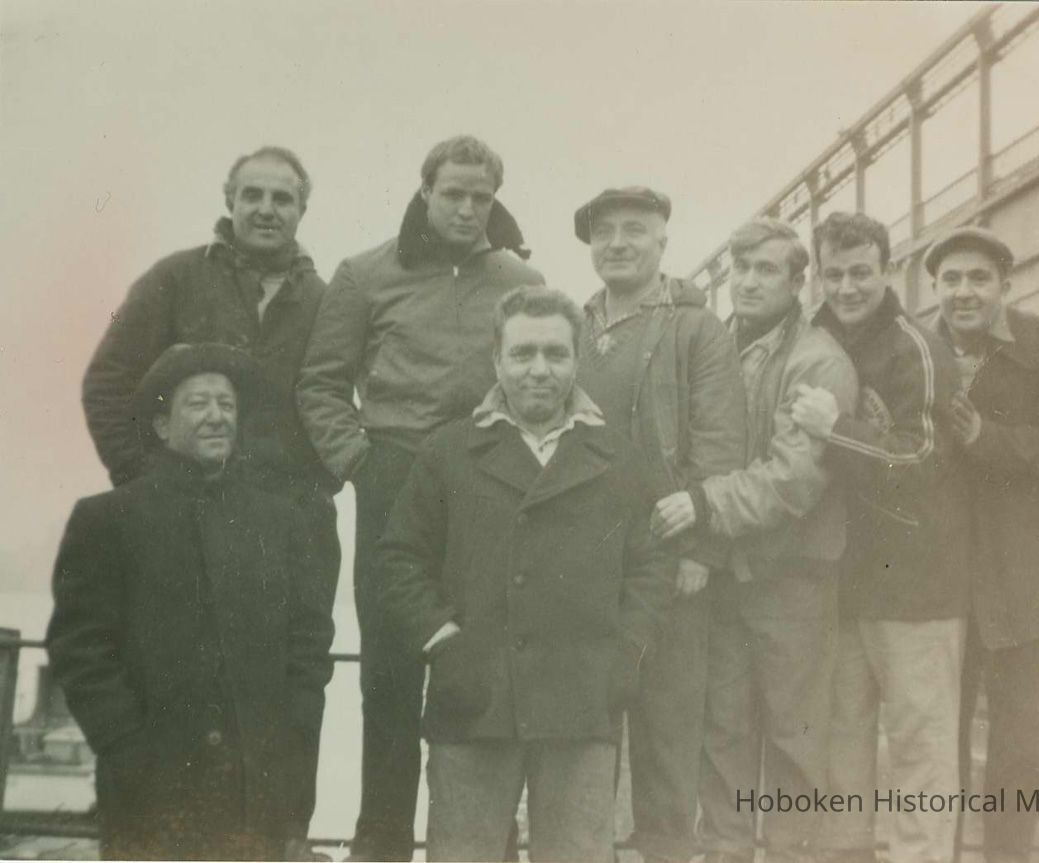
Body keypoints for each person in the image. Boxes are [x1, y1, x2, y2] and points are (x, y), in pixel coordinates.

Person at [80, 146, 338, 855]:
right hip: (181, 522)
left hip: (289, 530)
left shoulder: (325, 298)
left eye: (282, 198)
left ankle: (283, 841)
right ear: (229, 199)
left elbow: (352, 392)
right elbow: (107, 384)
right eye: (251, 194)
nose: (265, 209)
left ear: (301, 210)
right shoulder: (175, 278)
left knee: (295, 687)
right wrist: (145, 487)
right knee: (174, 687)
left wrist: (327, 477)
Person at [296, 135, 544, 861]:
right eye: (454, 194)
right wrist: (359, 463)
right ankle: (381, 844)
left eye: (482, 197)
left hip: (485, 484)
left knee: (482, 666)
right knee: (391, 676)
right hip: (394, 477)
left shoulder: (519, 279)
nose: (468, 209)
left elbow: (541, 375)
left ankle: (479, 845)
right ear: (426, 191)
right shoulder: (365, 273)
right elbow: (320, 383)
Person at [372, 286, 672, 862]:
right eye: (523, 354)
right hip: (474, 695)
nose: (540, 370)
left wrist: (626, 652)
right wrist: (443, 643)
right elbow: (399, 558)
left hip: (583, 699)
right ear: (496, 361)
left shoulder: (617, 457)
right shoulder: (448, 451)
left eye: (556, 355)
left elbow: (650, 567)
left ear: (576, 360)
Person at [48, 343, 335, 861]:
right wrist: (125, 750)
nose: (216, 417)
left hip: (257, 793)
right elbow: (80, 649)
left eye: (226, 404)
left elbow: (309, 647)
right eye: (198, 403)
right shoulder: (108, 520)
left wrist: (292, 750)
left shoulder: (283, 522)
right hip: (149, 792)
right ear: (161, 425)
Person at [652, 218, 858, 863]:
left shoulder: (818, 358)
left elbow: (794, 479)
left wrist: (705, 505)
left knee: (795, 739)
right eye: (740, 268)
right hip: (728, 573)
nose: (746, 281)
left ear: (799, 282)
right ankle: (726, 853)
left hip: (791, 578)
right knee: (726, 733)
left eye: (766, 270)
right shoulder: (719, 346)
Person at [573, 186, 746, 863]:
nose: (618, 242)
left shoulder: (695, 328)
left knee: (668, 734)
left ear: (662, 241)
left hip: (669, 555)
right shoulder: (577, 326)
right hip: (588, 561)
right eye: (605, 232)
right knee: (586, 733)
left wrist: (700, 545)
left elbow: (720, 439)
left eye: (634, 230)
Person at [792, 212, 969, 863]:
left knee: (920, 746)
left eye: (860, 271)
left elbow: (922, 460)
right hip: (843, 582)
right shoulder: (813, 339)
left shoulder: (915, 347)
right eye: (833, 273)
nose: (846, 286)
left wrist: (835, 428)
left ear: (887, 269)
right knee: (842, 744)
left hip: (918, 585)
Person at [925, 226, 1039, 863]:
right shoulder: (913, 349)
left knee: (1018, 749)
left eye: (978, 278)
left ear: (1005, 286)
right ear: (934, 287)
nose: (963, 292)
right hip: (940, 583)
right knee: (939, 744)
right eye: (950, 279)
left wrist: (985, 438)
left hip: (1028, 583)